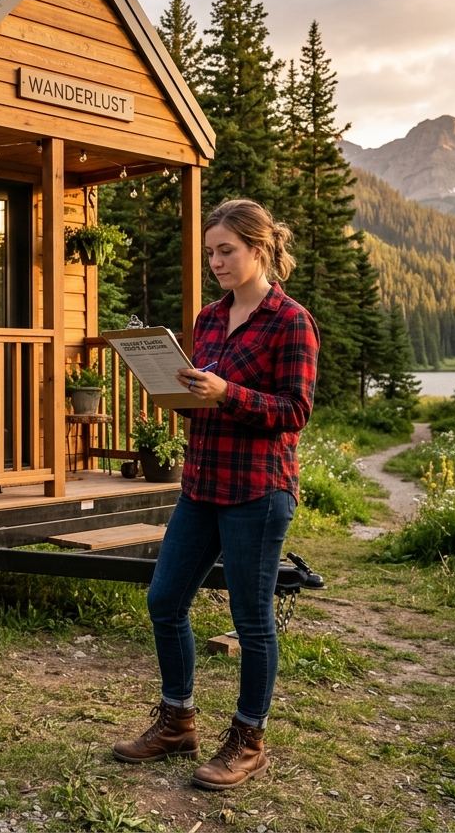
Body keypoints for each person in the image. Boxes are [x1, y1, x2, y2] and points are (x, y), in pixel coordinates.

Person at [112, 199, 319, 790]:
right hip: (201, 482)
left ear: (259, 249)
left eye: (226, 250)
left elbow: (295, 410)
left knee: (252, 621)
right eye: (210, 252)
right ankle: (177, 721)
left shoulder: (291, 321)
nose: (216, 261)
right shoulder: (207, 319)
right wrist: (175, 388)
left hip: (258, 489)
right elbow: (205, 394)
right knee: (164, 599)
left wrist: (228, 392)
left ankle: (249, 741)